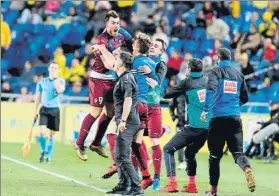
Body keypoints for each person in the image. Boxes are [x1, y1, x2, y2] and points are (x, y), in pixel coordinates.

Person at [75, 10, 133, 161]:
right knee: (96, 112)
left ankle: (96, 143)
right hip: (99, 79)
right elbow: (108, 64)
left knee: (110, 112)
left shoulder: (120, 35)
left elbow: (131, 41)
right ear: (106, 23)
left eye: (118, 23)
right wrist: (118, 61)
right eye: (113, 23)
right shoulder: (101, 41)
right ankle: (80, 144)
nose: (116, 26)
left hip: (111, 79)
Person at [147, 59, 210, 193]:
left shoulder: (187, 82)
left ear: (189, 69)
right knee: (190, 153)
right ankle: (192, 185)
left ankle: (172, 184)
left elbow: (165, 94)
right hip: (207, 128)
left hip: (194, 127)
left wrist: (154, 85)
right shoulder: (207, 81)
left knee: (168, 149)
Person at [200, 48, 256, 196]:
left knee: (214, 157)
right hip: (235, 118)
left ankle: (213, 192)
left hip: (218, 118)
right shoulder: (239, 74)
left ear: (218, 58)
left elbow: (210, 89)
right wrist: (232, 106)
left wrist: (206, 109)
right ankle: (247, 169)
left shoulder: (215, 73)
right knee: (238, 153)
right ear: (230, 59)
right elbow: (245, 98)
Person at [106, 51, 144, 196]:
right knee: (119, 154)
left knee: (122, 156)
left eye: (116, 58)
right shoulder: (123, 77)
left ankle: (136, 187)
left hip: (128, 122)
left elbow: (128, 100)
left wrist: (122, 120)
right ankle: (123, 185)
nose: (114, 60)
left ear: (121, 63)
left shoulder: (126, 78)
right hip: (125, 121)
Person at [34, 62, 65, 163]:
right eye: (52, 67)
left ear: (58, 70)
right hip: (44, 109)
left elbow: (60, 91)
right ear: (48, 69)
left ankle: (49, 156)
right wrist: (35, 111)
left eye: (55, 68)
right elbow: (38, 97)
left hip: (55, 110)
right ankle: (44, 151)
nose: (53, 69)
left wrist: (56, 84)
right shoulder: (42, 82)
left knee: (52, 135)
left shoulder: (61, 81)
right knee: (42, 132)